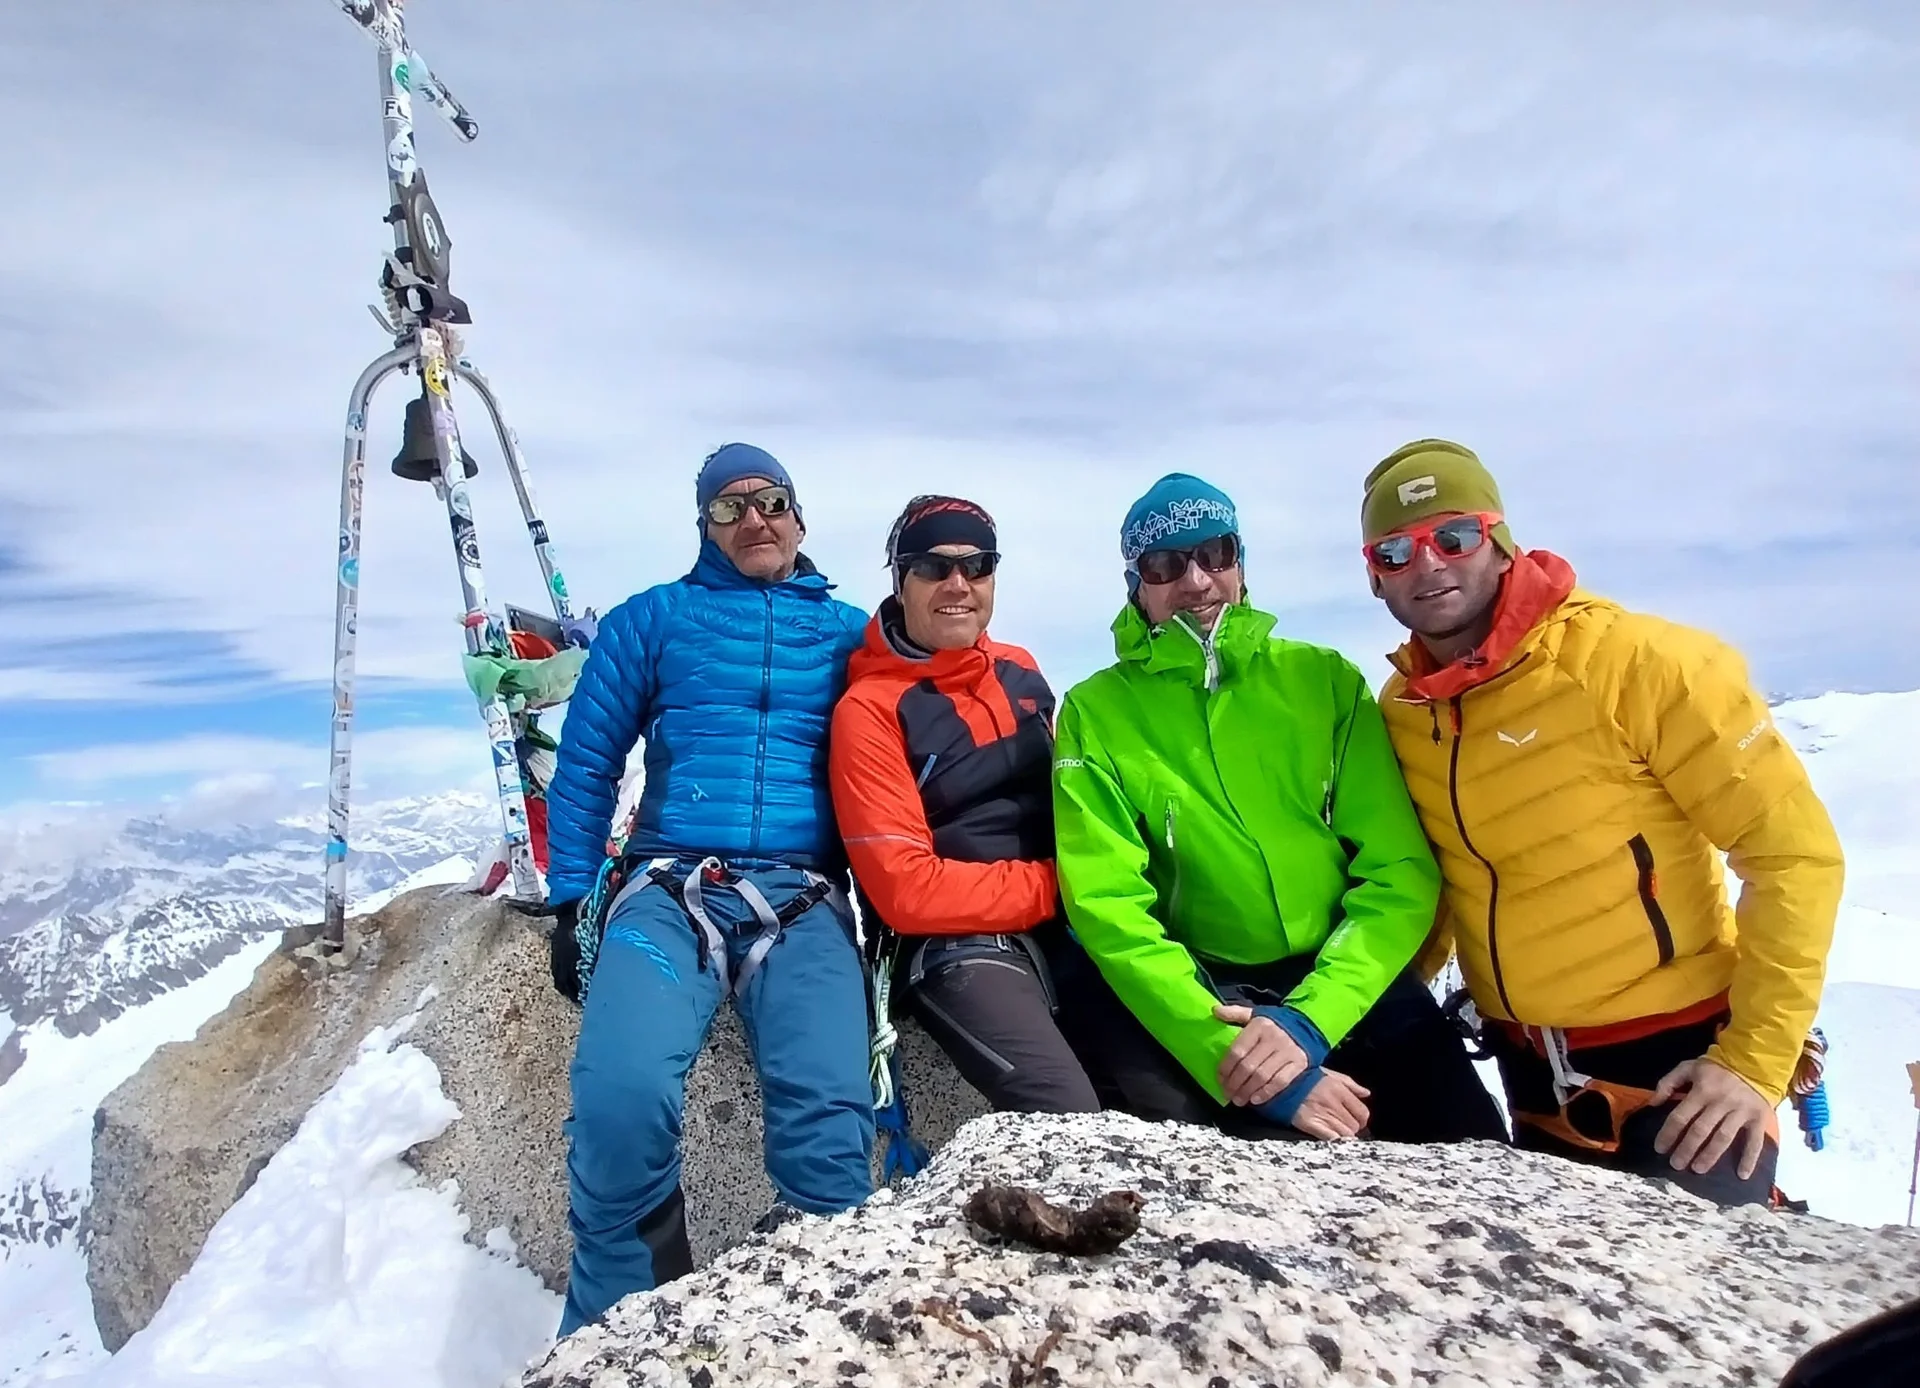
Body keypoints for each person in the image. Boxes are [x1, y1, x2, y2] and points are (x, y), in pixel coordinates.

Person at [1360, 437, 1845, 1206]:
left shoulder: (1642, 665)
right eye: (1395, 550)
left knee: (1688, 1305)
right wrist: (1377, 1013)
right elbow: (1444, 879)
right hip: (1526, 1072)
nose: (1428, 563)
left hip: (1681, 1072)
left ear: (1499, 539)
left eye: (1453, 536)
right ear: (1373, 574)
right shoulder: (1407, 711)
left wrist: (1753, 1060)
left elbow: (1794, 857)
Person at [1051, 473, 1506, 1142]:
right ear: (1136, 583)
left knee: (1473, 1151)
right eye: (1166, 564)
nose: (1197, 581)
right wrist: (1238, 1064)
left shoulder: (1323, 681)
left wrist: (1311, 1020)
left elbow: (1398, 871)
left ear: (1239, 563)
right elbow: (1108, 908)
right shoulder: (1097, 712)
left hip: (1343, 972)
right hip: (1206, 985)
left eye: (1216, 554)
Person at [543, 442, 872, 1334]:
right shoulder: (653, 620)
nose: (754, 519)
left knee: (834, 1128)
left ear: (799, 517)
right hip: (672, 885)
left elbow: (910, 745)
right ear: (704, 528)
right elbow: (586, 764)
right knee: (619, 1097)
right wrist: (573, 897)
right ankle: (620, 1325)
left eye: (770, 501)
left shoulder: (852, 634)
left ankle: (822, 1327)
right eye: (728, 508)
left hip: (803, 898)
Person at [828, 495, 1101, 1115]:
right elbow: (906, 891)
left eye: (978, 565)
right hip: (957, 943)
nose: (958, 584)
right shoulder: (869, 709)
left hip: (1071, 922)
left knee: (1164, 1090)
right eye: (932, 567)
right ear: (901, 580)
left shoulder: (1020, 670)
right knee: (1069, 1114)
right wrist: (1062, 887)